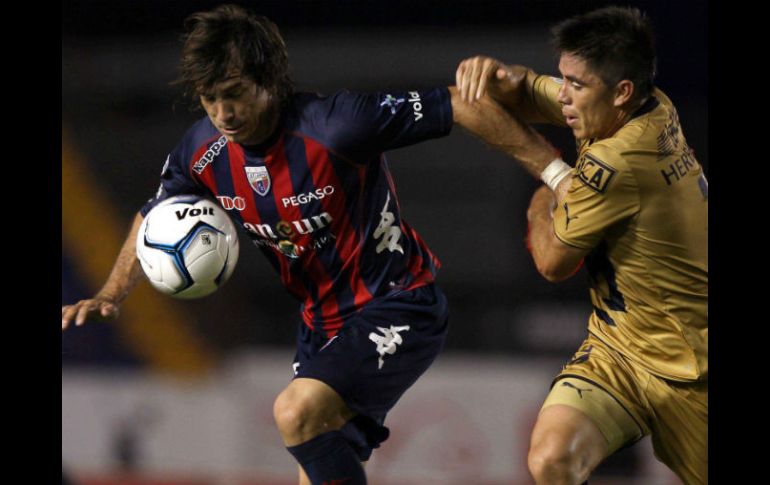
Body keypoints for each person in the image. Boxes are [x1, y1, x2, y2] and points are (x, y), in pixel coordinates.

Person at [60, 4, 466, 484]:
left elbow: (461, 103)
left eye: (234, 95)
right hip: (320, 325)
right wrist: (111, 292)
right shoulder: (202, 149)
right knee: (312, 460)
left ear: (270, 80)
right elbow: (154, 213)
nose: (223, 113)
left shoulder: (335, 125)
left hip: (397, 301)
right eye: (210, 99)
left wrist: (552, 167)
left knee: (294, 412)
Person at [454, 6, 707, 485]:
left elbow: (551, 262)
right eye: (563, 78)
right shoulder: (650, 104)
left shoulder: (619, 164)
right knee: (552, 457)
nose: (564, 97)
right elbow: (531, 90)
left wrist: (544, 186)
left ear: (621, 92)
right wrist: (496, 75)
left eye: (577, 85)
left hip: (691, 368)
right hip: (620, 352)